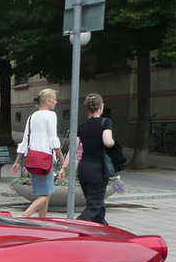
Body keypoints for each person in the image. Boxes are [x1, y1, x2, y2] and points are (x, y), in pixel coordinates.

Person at [11, 88, 67, 217]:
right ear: (48, 101)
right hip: (45, 158)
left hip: (32, 158)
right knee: (47, 194)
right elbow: (53, 140)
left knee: (44, 192)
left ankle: (42, 220)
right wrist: (62, 159)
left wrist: (18, 161)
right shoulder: (50, 115)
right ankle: (24, 216)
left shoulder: (31, 117)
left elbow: (25, 140)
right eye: (54, 99)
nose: (56, 102)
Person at [64, 93, 115, 224]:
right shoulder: (105, 122)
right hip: (98, 169)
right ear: (101, 107)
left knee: (97, 204)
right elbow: (108, 142)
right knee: (95, 205)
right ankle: (75, 226)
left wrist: (63, 167)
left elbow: (73, 149)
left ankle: (103, 229)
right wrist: (113, 142)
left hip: (83, 169)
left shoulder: (81, 126)